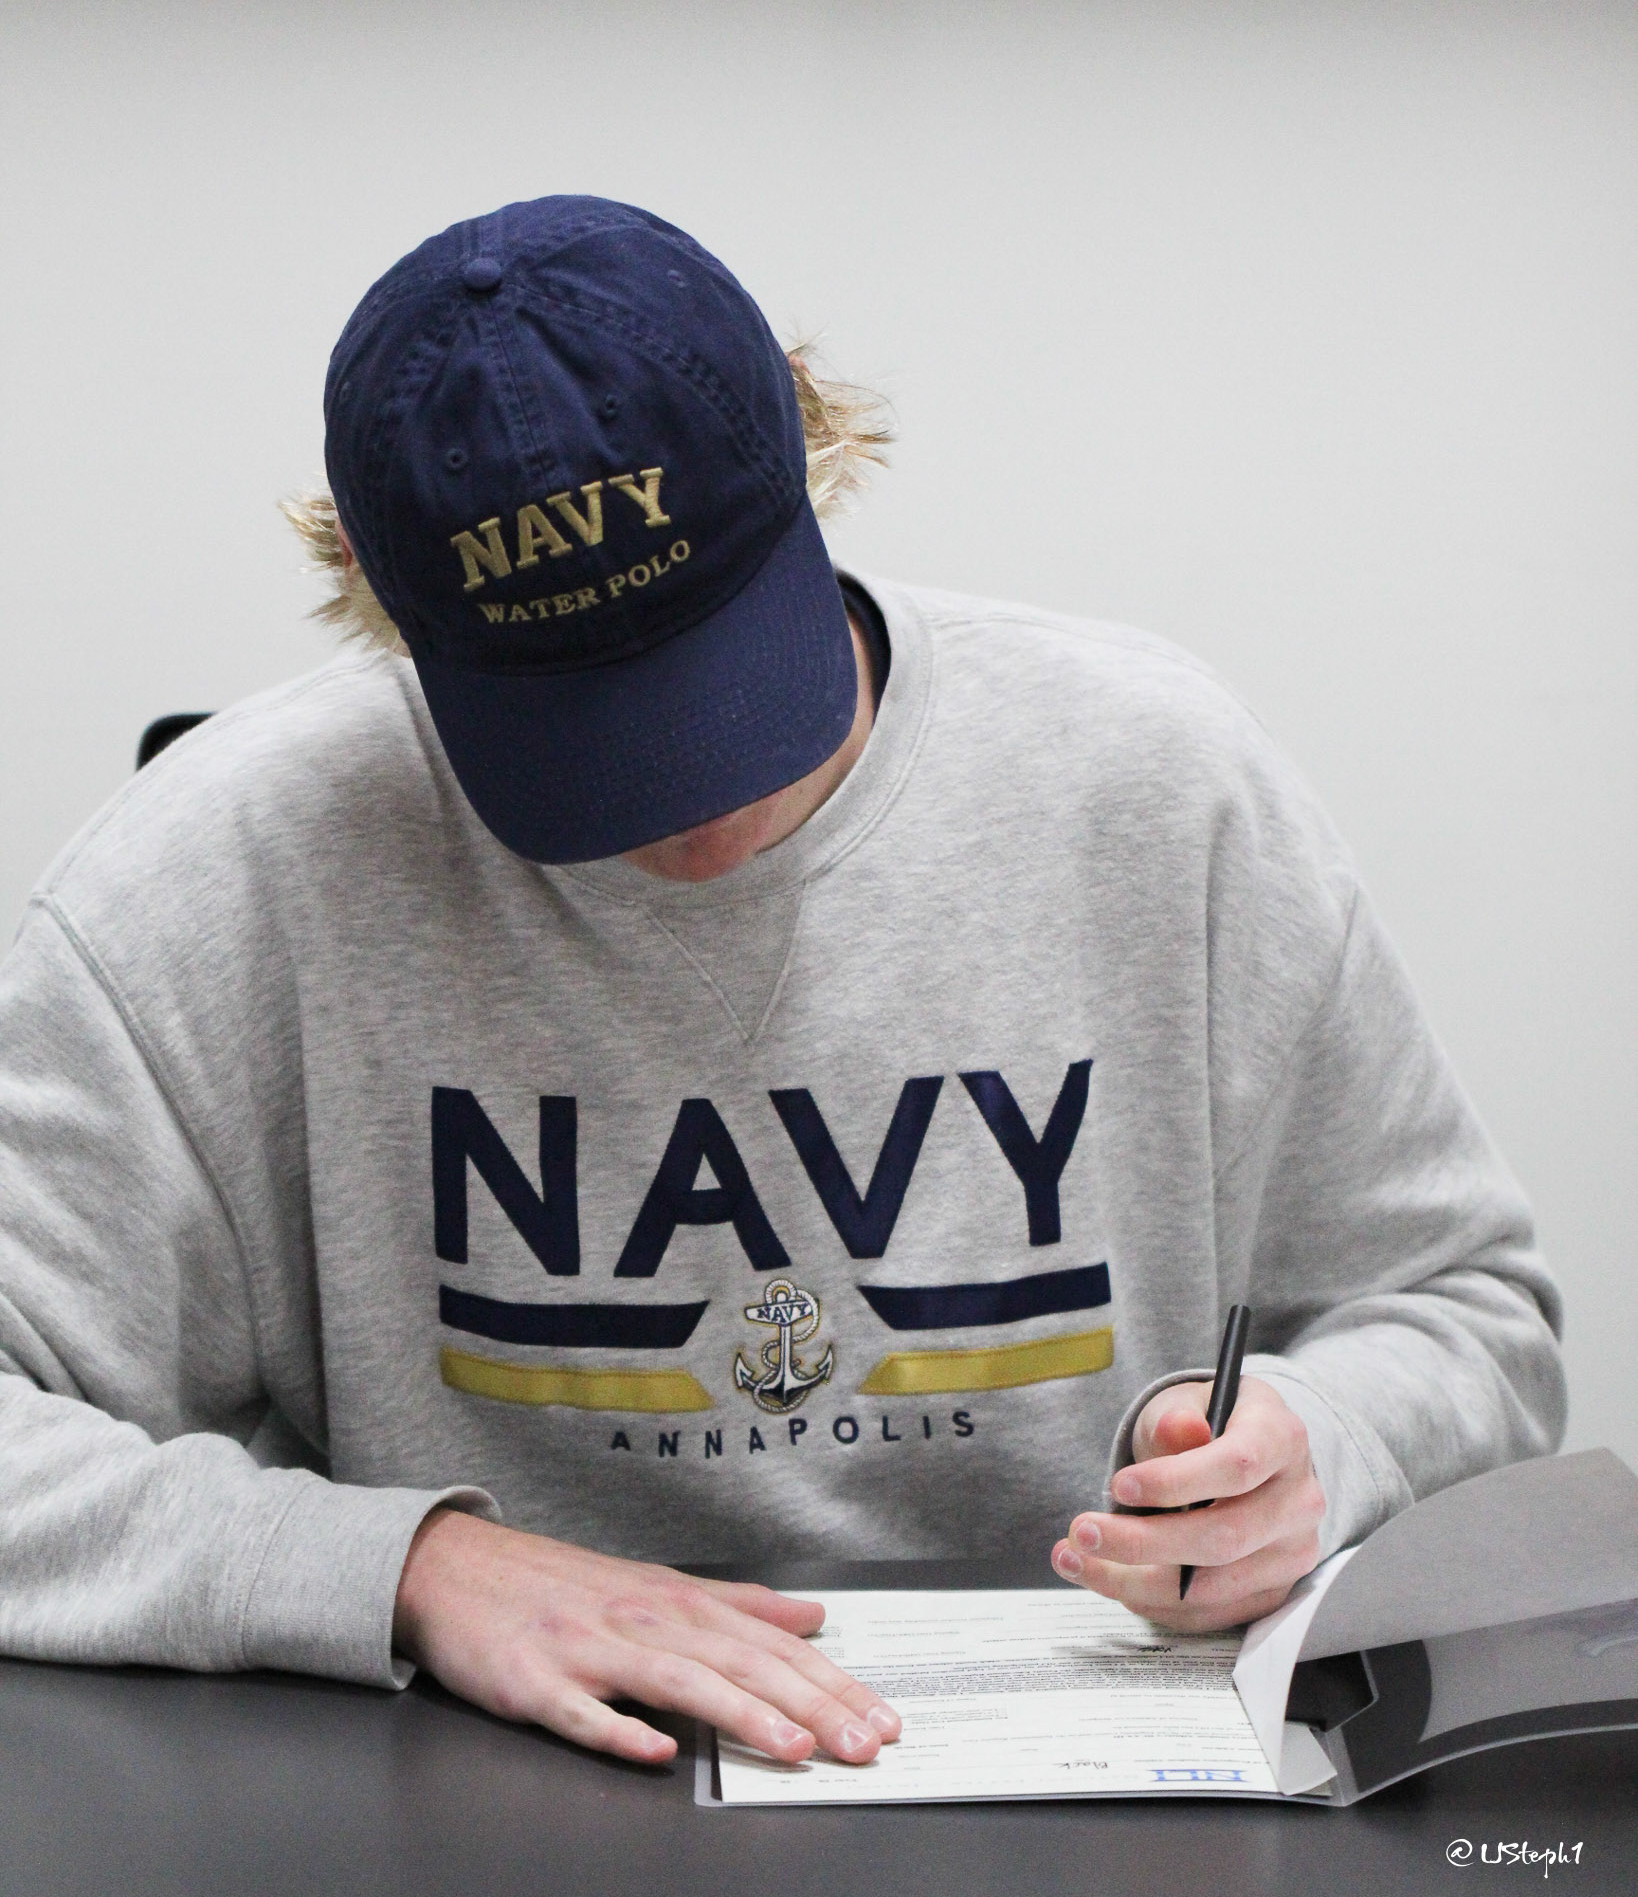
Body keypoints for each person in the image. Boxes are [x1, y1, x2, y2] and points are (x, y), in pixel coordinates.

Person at [0, 195, 1565, 1770]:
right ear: (380, 600)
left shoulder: (1155, 787)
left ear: (814, 453)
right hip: (482, 1785)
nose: (691, 822)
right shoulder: (225, 866)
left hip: (1091, 1772)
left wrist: (1320, 1448)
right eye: (580, 737)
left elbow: (1466, 1311)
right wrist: (408, 1568)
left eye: (715, 691)